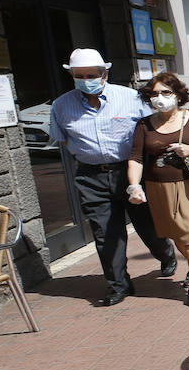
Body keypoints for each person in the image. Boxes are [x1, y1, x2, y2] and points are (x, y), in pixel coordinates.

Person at [49, 48, 177, 306]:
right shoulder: (62, 106)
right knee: (105, 232)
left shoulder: (130, 98)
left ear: (104, 74)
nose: (86, 79)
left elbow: (152, 133)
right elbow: (63, 140)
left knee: (149, 225)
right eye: (79, 75)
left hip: (131, 173)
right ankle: (118, 284)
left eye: (91, 74)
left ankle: (166, 255)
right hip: (91, 177)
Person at [126, 72, 189, 310]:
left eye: (166, 93)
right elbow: (136, 158)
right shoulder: (144, 125)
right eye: (154, 94)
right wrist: (134, 186)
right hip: (159, 188)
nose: (160, 98)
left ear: (178, 95)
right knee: (177, 234)